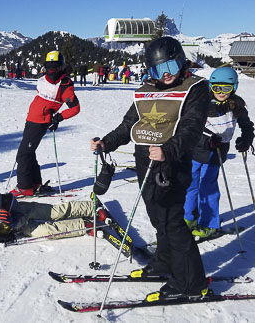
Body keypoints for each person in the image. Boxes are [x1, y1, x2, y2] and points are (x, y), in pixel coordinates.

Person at [90, 36, 211, 300]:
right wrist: (106, 143)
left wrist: (168, 151)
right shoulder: (146, 88)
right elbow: (129, 124)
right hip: (145, 162)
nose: (166, 74)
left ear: (181, 60)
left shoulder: (196, 88)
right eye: (158, 69)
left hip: (172, 165)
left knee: (173, 223)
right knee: (159, 220)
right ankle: (165, 263)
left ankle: (192, 283)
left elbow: (191, 128)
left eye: (170, 65)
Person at [184, 67, 255, 238]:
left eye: (226, 88)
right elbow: (191, 125)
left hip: (216, 151)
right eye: (217, 88)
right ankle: (188, 218)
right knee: (190, 185)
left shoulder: (236, 105)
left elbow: (247, 125)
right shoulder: (202, 103)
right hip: (195, 150)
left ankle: (209, 224)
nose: (221, 92)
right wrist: (205, 140)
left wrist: (246, 140)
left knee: (208, 188)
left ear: (234, 88)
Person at [12, 51, 80, 197]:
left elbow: (75, 108)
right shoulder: (44, 79)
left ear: (61, 67)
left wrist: (58, 118)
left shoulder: (65, 86)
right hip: (31, 120)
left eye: (54, 68)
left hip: (40, 123)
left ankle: (24, 188)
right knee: (29, 153)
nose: (51, 71)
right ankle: (35, 183)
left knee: (23, 156)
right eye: (48, 67)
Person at [0, 182, 110, 243]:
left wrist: (13, 220)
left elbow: (22, 217)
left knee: (55, 212)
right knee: (48, 231)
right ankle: (83, 226)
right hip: (20, 231)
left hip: (24, 213)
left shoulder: (8, 200)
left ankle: (91, 208)